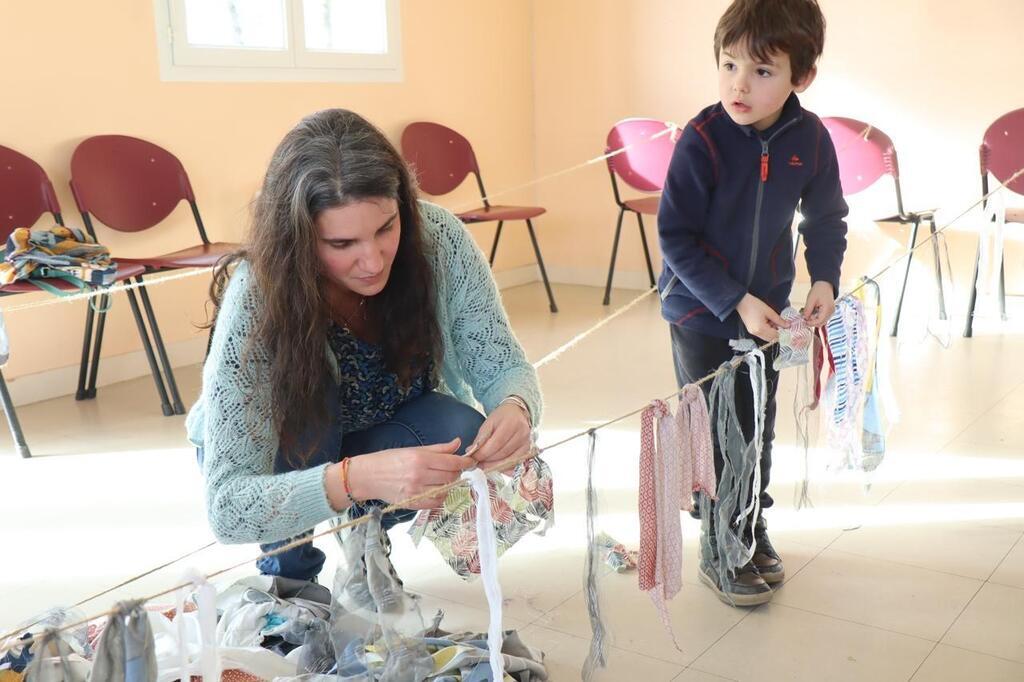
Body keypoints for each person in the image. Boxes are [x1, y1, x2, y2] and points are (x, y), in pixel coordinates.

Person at [186, 108, 542, 582]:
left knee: (462, 427)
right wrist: (356, 479)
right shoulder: (258, 296)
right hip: (289, 452)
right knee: (306, 422)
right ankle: (287, 577)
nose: (372, 261)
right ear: (298, 239)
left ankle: (365, 535)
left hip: (376, 430)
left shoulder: (438, 239)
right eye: (341, 244)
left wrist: (517, 406)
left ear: (403, 207)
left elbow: (501, 364)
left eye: (386, 228)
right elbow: (229, 509)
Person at [657, 0, 848, 605]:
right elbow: (675, 237)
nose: (739, 83)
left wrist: (824, 279)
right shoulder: (704, 139)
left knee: (758, 421)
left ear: (802, 77)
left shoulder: (811, 139)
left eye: (762, 71)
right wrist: (733, 300)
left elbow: (825, 218)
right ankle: (720, 542)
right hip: (699, 310)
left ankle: (748, 525)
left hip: (768, 312)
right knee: (720, 428)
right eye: (729, 64)